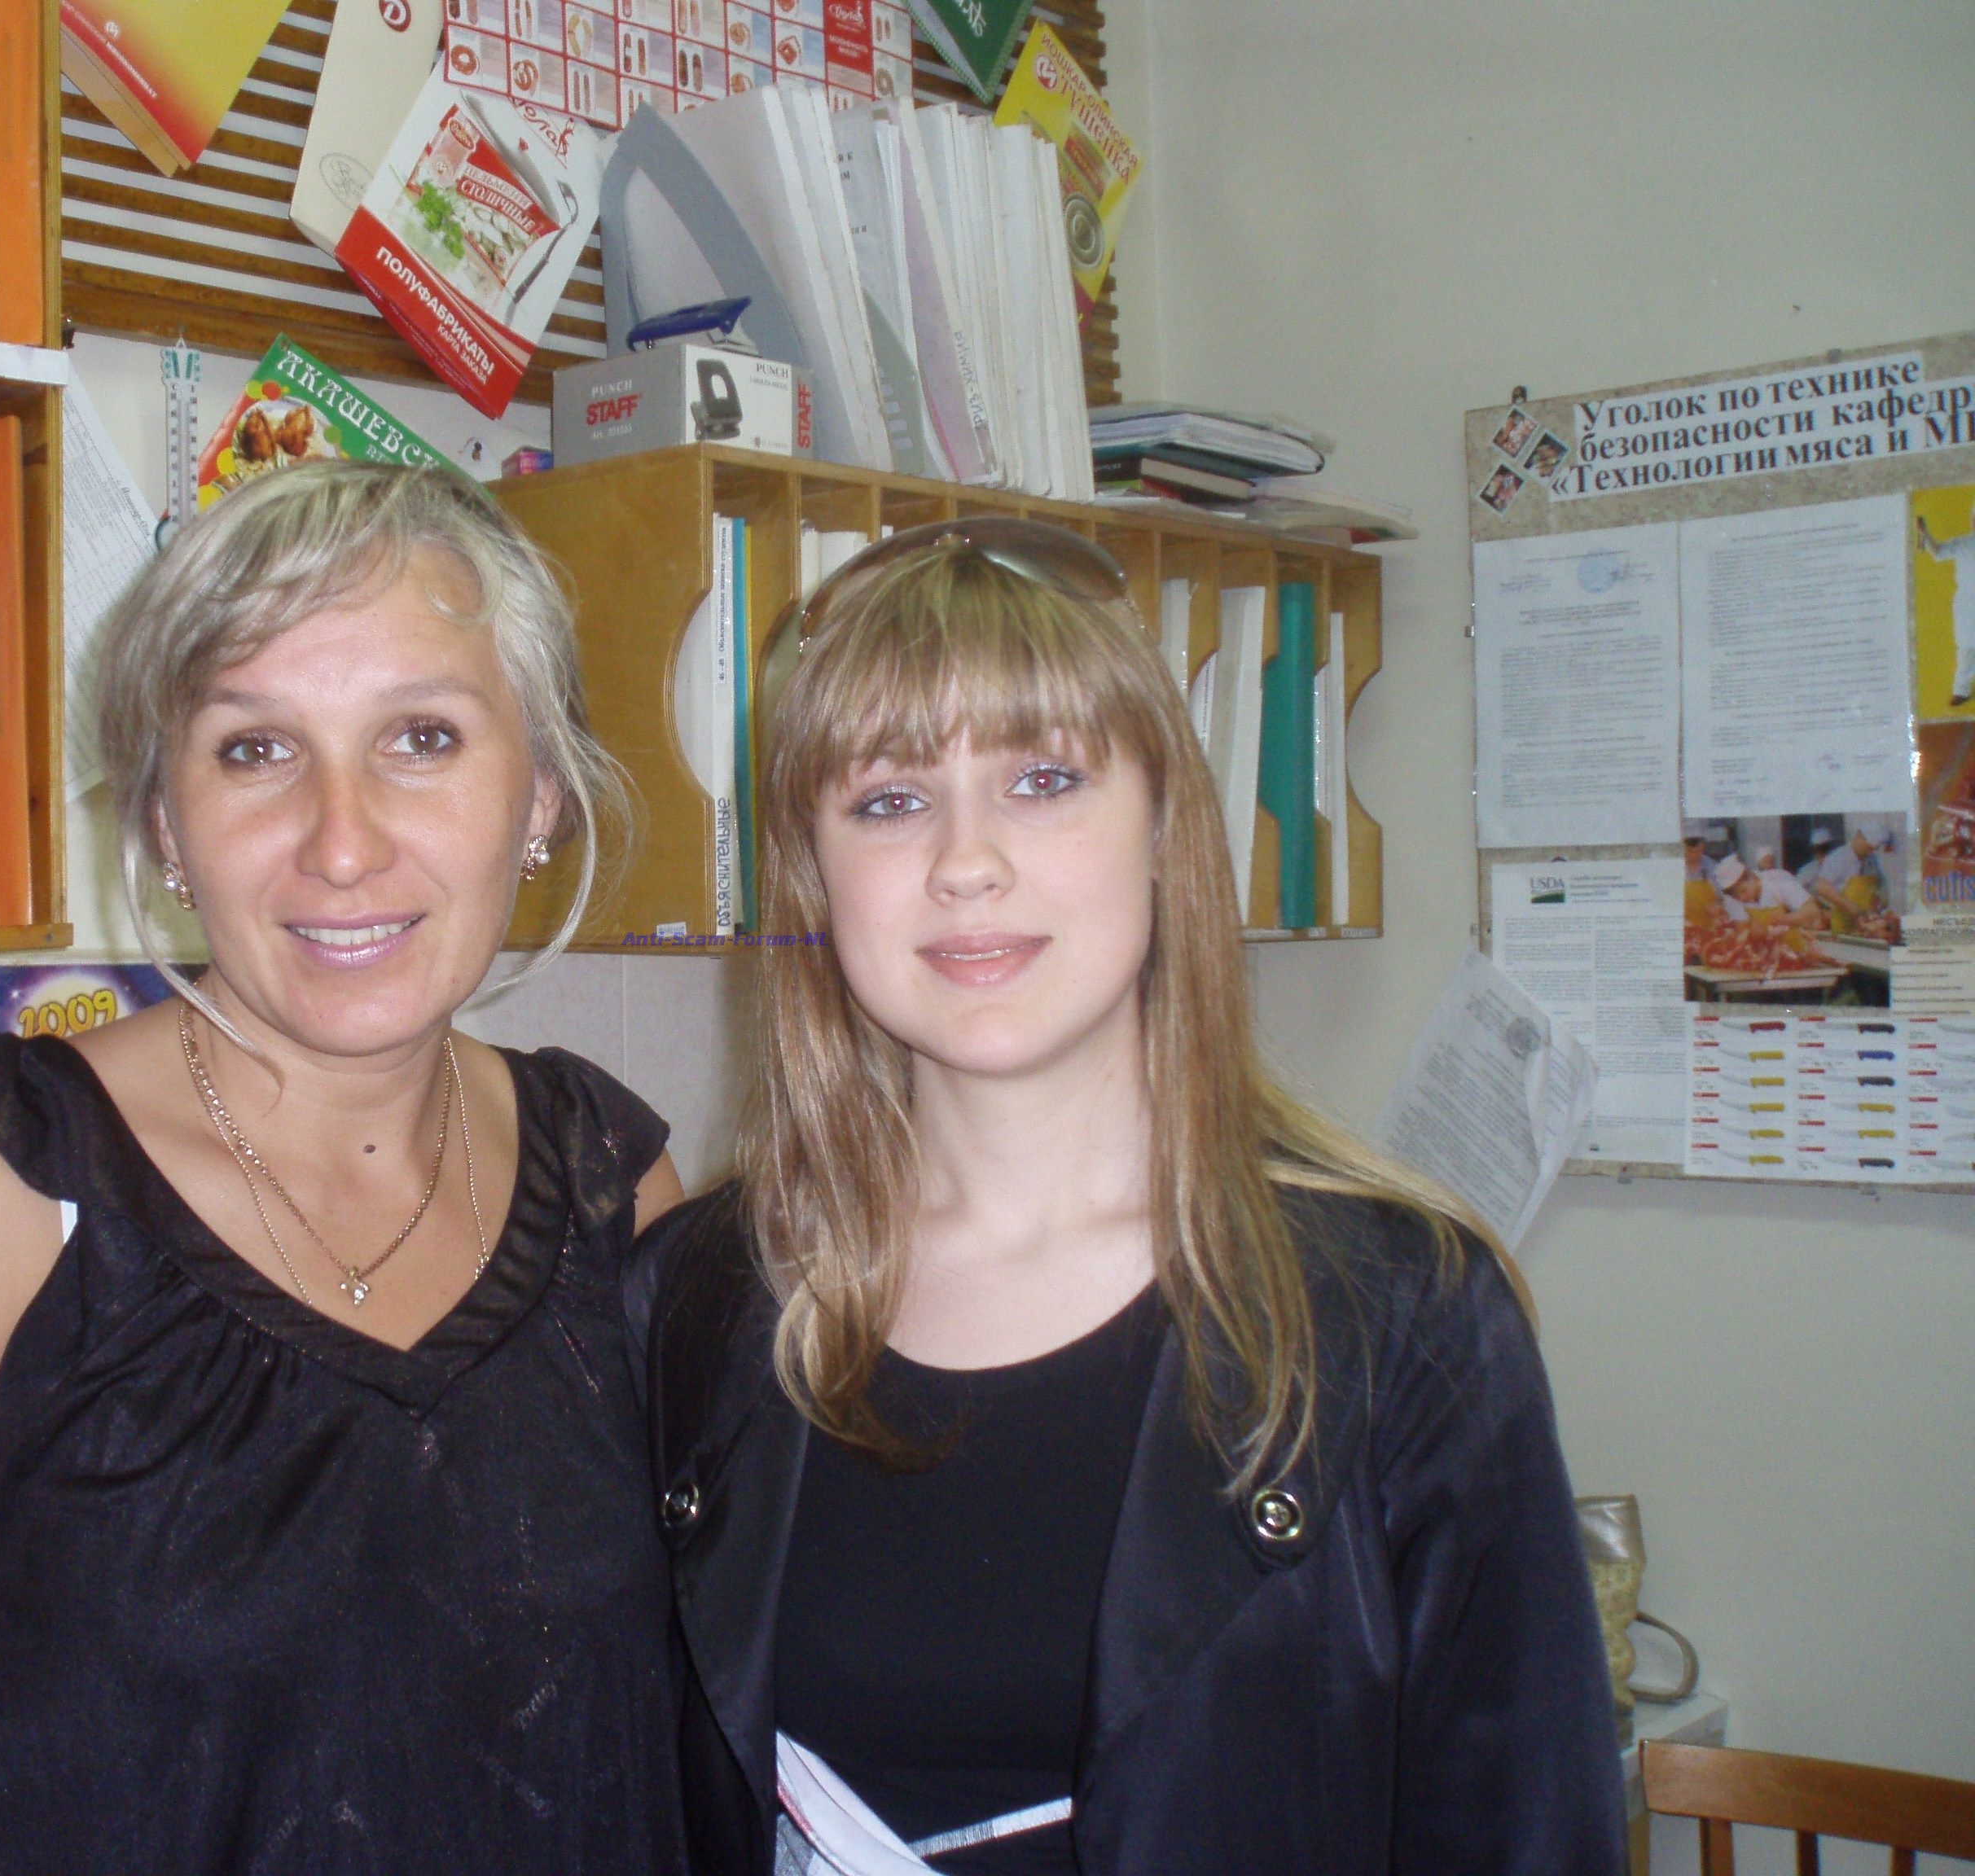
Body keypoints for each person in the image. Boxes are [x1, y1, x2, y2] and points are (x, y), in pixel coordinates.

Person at [0, 463, 689, 1874]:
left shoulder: (619, 1191)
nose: (343, 841)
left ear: (538, 795)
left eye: (422, 736)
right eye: (255, 749)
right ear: (165, 826)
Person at [632, 519, 1625, 1875]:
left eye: (1042, 779)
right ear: (814, 868)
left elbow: (1528, 1834)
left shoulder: (1404, 1313)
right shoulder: (694, 1297)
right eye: (889, 800)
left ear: (1162, 829)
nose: (965, 861)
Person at [1918, 512, 1975, 707]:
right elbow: (1938, 553)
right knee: (1968, 647)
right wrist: (1925, 534)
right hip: (1969, 605)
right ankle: (1962, 690)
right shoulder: (1963, 543)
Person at [1714, 852, 1822, 929]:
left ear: (1751, 876)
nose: (1742, 898)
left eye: (1743, 891)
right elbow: (1742, 926)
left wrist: (1785, 919)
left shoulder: (1779, 880)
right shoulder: (1733, 899)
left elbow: (1812, 911)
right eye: (1736, 896)